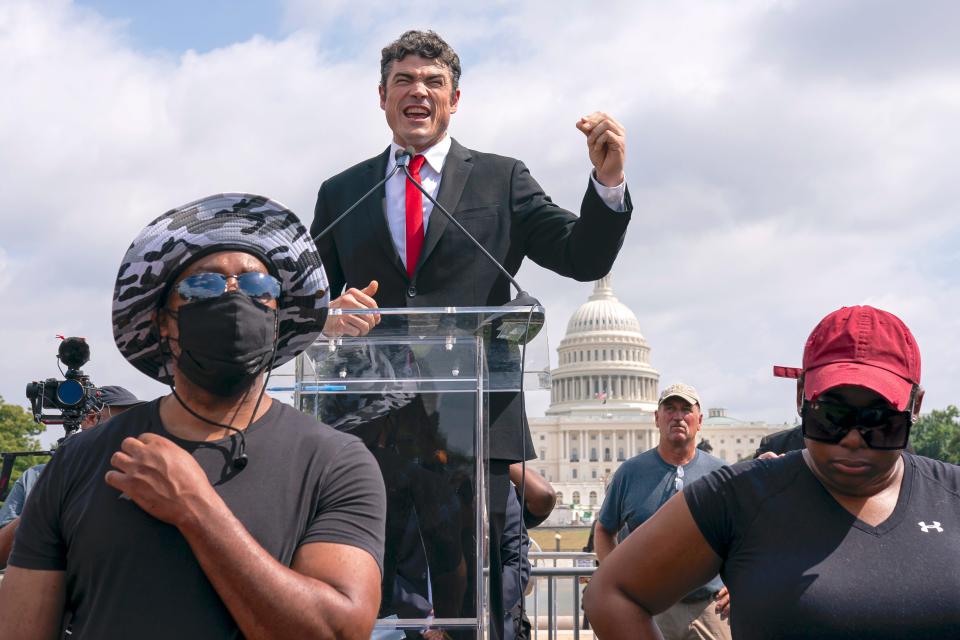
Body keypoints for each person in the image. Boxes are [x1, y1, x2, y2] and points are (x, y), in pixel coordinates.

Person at [310, 29, 631, 638]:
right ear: (381, 97)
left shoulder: (501, 180)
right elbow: (304, 296)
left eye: (434, 82)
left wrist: (607, 186)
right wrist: (327, 311)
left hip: (472, 427)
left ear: (455, 100)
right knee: (369, 595)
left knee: (471, 603)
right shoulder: (342, 192)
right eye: (404, 81)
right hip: (369, 429)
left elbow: (580, 255)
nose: (418, 92)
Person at [0, 193, 386, 640]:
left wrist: (196, 510)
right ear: (164, 320)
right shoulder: (80, 461)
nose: (235, 300)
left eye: (259, 288)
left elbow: (336, 631)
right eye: (203, 287)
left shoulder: (336, 463)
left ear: (278, 314)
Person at [583, 305, 960, 639]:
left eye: (879, 419)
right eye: (831, 415)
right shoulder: (738, 496)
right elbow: (611, 594)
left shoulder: (953, 496)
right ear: (801, 398)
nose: (852, 438)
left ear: (915, 407)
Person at [594, 383, 730, 640]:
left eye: (685, 409)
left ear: (699, 421)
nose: (678, 416)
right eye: (670, 409)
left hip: (708, 607)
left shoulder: (722, 474)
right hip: (648, 608)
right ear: (657, 418)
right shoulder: (630, 473)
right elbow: (604, 529)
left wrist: (737, 584)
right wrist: (613, 580)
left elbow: (743, 537)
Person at [0, 386, 142, 568]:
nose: (133, 429)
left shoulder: (137, 479)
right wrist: (51, 498)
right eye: (124, 421)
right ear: (91, 419)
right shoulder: (35, 478)